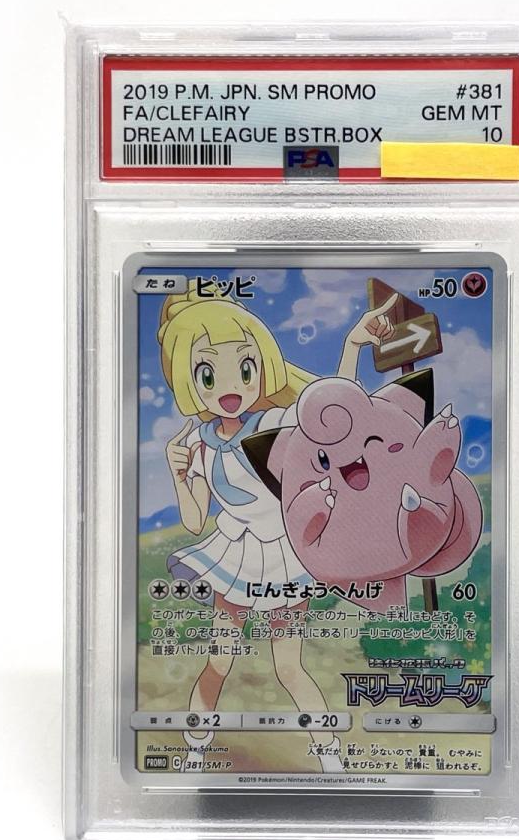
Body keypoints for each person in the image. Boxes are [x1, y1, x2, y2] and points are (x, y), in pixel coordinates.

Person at [156, 281, 395, 772]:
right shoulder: (198, 444)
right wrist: (178, 474)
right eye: (208, 373)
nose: (229, 387)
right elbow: (195, 520)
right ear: (188, 379)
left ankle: (330, 756)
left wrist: (352, 346)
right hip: (236, 557)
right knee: (219, 659)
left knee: (288, 666)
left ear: (262, 366)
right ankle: (195, 749)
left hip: (284, 557)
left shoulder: (275, 423)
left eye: (244, 369)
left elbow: (334, 412)